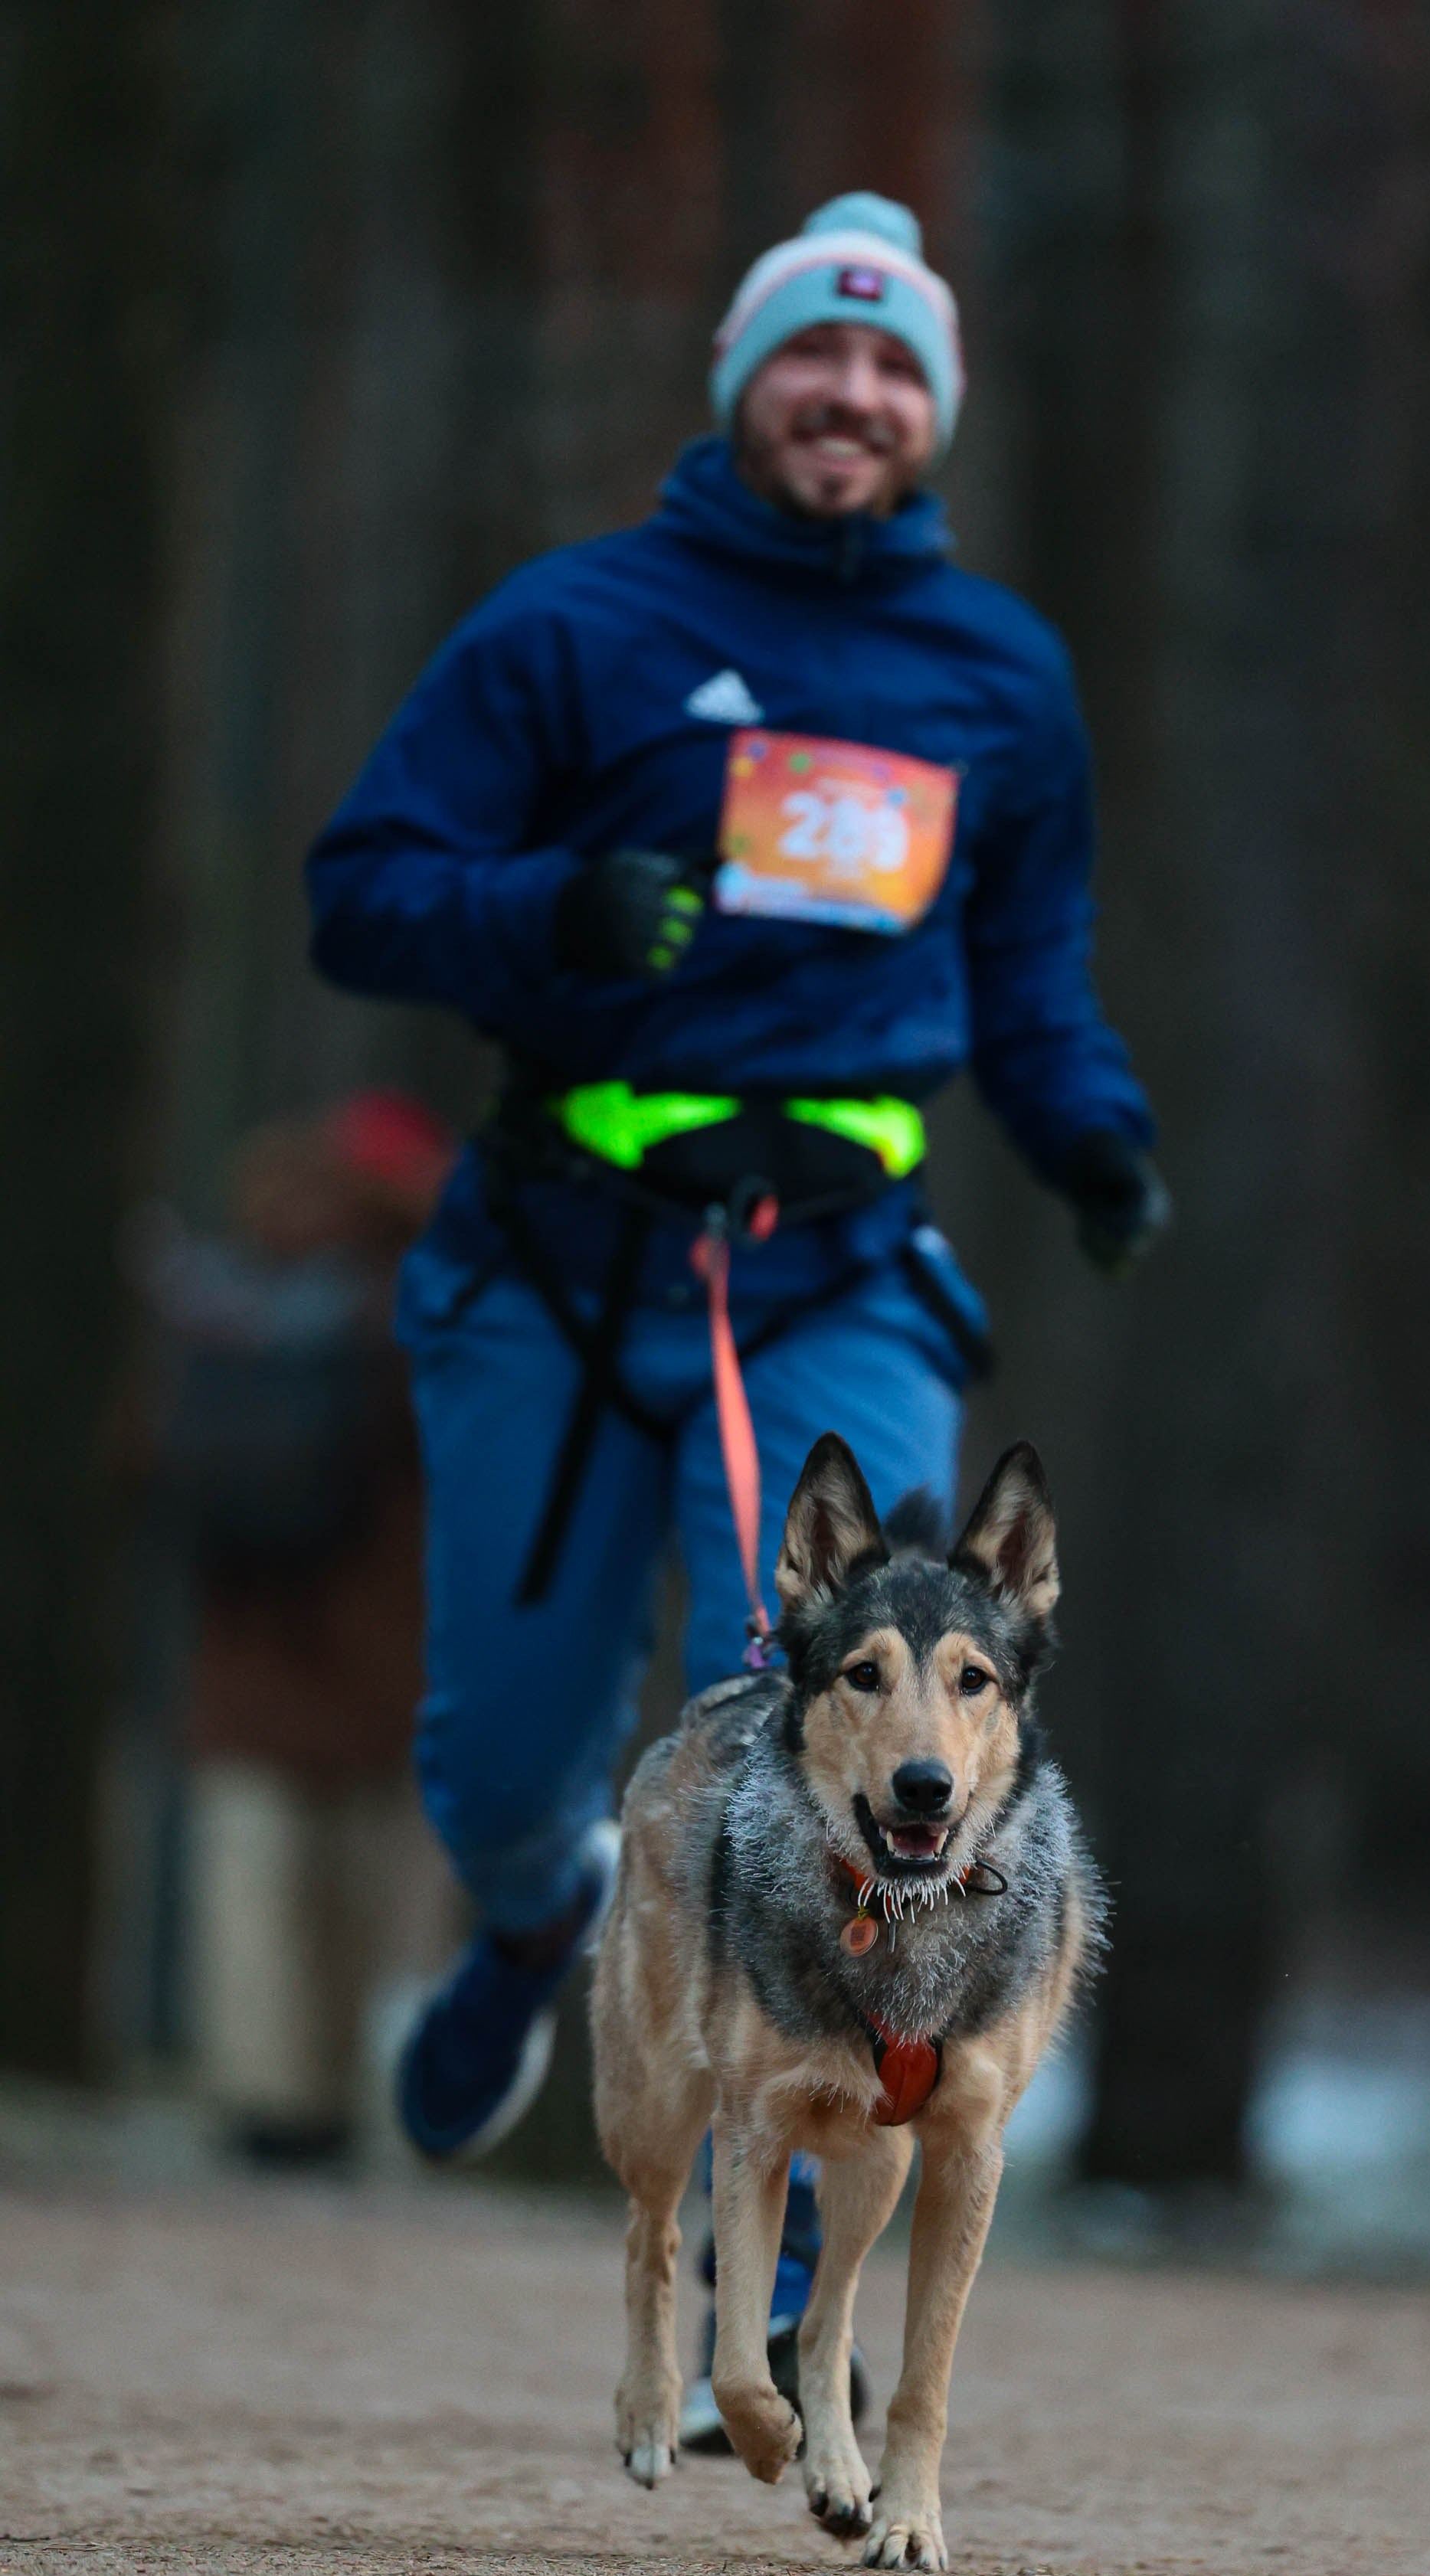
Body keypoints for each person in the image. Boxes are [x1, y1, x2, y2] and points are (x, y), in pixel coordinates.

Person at [306, 192, 1165, 2420]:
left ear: (933, 414)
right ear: (744, 379)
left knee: (813, 1720)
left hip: (842, 1276)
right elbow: (363, 898)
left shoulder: (1002, 676)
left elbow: (1027, 975)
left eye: (896, 370)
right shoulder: (576, 628)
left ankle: (772, 2285)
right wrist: (542, 912)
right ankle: (528, 1912)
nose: (853, 396)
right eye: (818, 356)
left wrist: (1088, 1130)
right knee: (504, 1752)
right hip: (562, 1263)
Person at [147, 1092, 460, 2163]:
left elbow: (147, 1454)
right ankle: (348, 2102)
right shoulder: (429, 1308)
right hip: (386, 1648)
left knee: (253, 1881)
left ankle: (265, 2098)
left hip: (245, 1644)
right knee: (375, 1892)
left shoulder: (227, 1287)